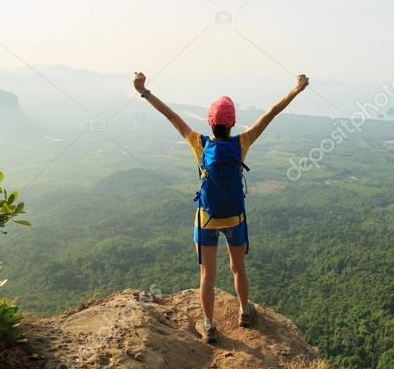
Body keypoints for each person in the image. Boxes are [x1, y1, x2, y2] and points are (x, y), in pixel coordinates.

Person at [132, 72, 310, 342]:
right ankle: (244, 311)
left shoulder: (198, 143)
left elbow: (169, 115)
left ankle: (209, 325)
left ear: (210, 122)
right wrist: (296, 90)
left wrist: (143, 91)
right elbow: (272, 113)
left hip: (206, 219)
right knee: (238, 268)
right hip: (235, 219)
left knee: (208, 275)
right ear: (233, 122)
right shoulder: (242, 142)